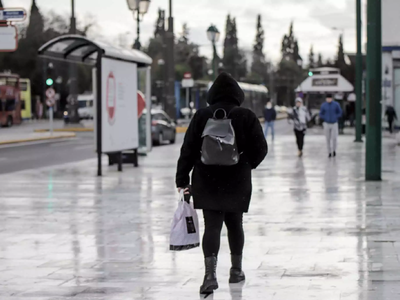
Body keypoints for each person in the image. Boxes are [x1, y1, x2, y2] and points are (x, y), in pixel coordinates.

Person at [175, 72, 268, 295]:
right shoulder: (246, 116)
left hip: (207, 179)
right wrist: (245, 164)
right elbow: (261, 149)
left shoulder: (202, 115)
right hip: (238, 179)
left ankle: (209, 275)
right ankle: (236, 271)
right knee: (235, 224)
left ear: (212, 95)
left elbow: (187, 149)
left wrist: (182, 179)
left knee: (212, 226)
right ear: (238, 94)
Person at [319, 93, 343, 158]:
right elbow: (321, 113)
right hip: (326, 123)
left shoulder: (336, 105)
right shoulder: (324, 105)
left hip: (334, 123)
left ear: (331, 98)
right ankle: (329, 151)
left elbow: (340, 112)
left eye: (329, 98)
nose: (328, 99)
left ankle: (334, 150)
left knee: (334, 137)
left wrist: (336, 117)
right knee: (328, 138)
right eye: (327, 98)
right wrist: (324, 117)